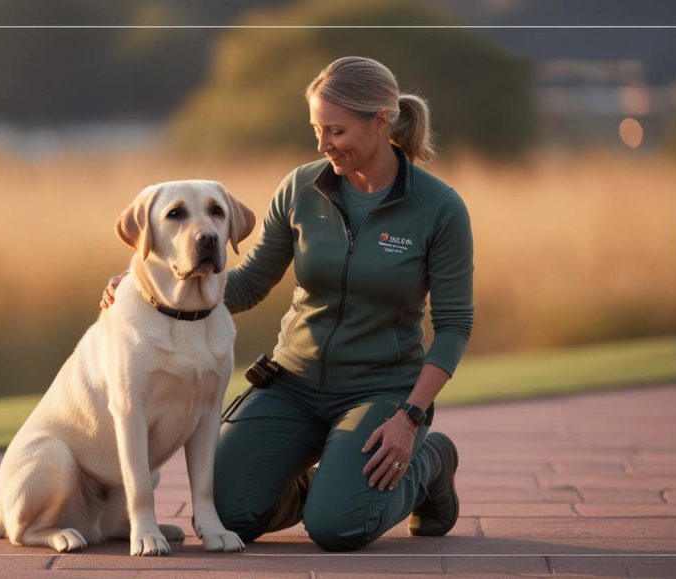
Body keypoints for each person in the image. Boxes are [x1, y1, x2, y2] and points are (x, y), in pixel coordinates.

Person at [101, 56, 473, 552]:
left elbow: (453, 326)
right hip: (291, 384)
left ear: (381, 121)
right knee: (231, 513)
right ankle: (334, 480)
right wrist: (146, 295)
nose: (323, 145)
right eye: (317, 130)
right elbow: (250, 281)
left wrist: (410, 417)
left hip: (379, 392)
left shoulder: (438, 208)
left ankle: (429, 465)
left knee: (337, 527)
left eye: (336, 131)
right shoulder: (300, 189)